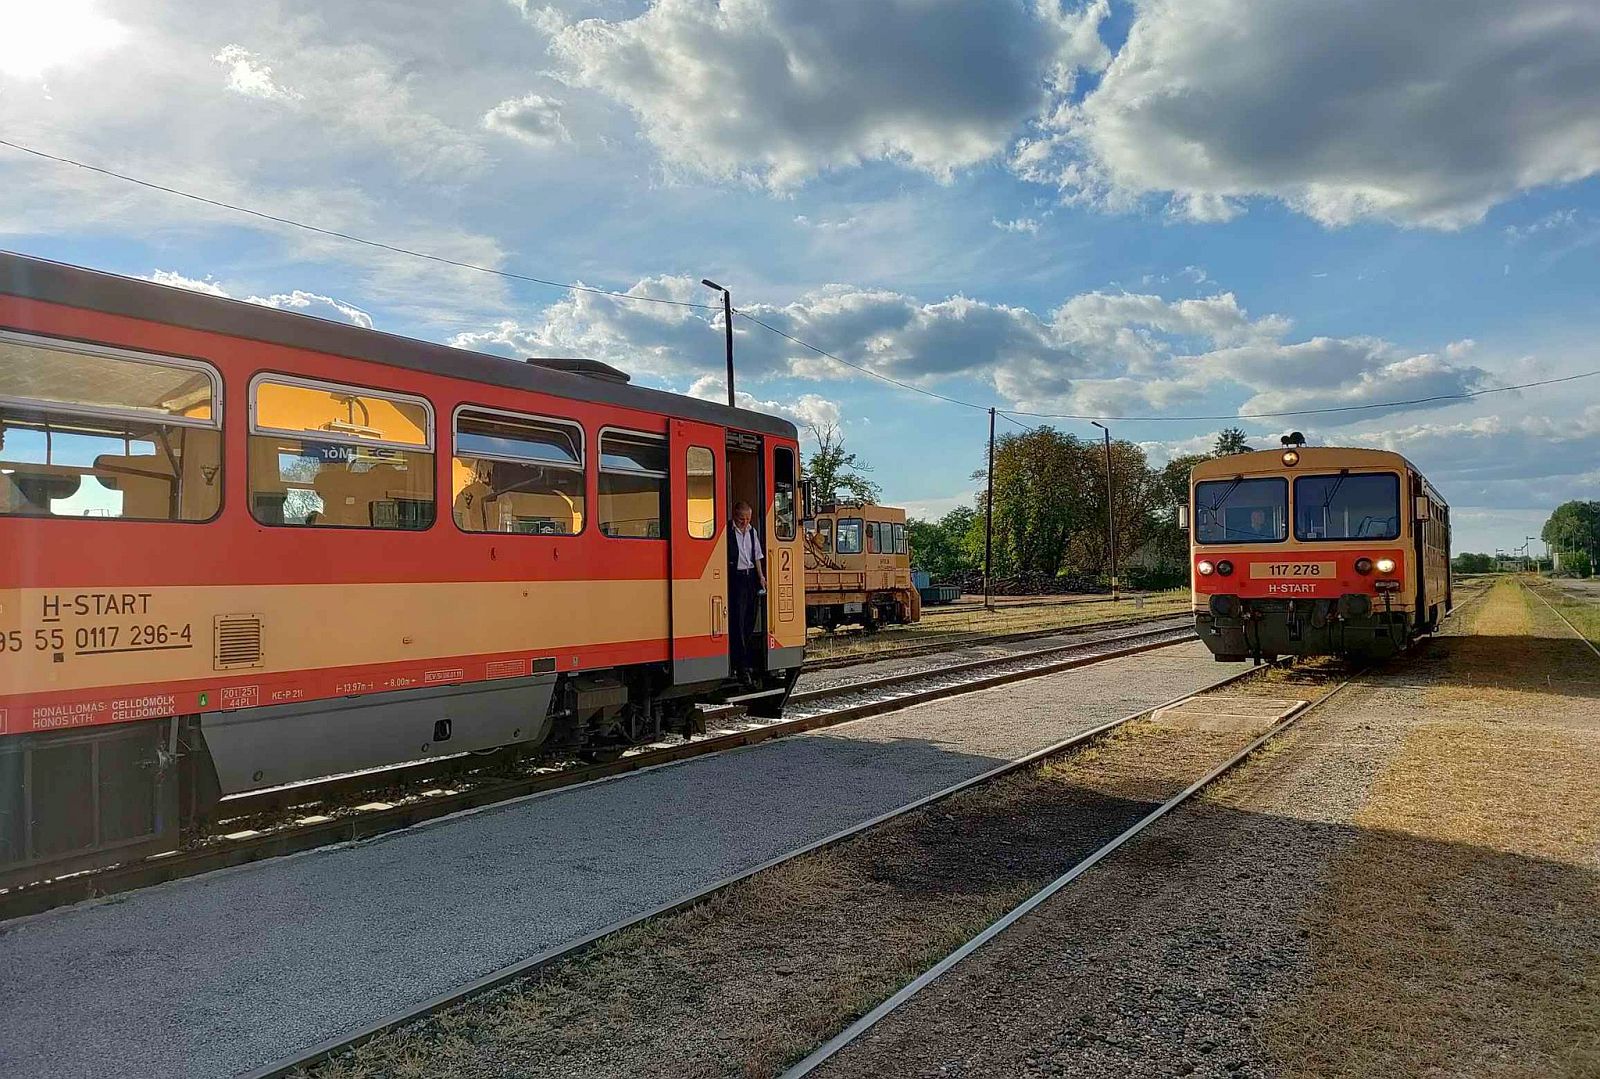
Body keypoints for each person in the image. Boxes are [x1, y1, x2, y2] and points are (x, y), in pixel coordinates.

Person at [728, 500, 767, 686]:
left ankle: (746, 661)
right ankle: (741, 665)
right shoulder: (728, 531)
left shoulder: (752, 532)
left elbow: (757, 556)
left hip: (750, 576)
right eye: (741, 519)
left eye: (747, 519)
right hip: (736, 578)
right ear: (735, 516)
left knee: (750, 619)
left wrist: (761, 577)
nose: (745, 522)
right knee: (738, 622)